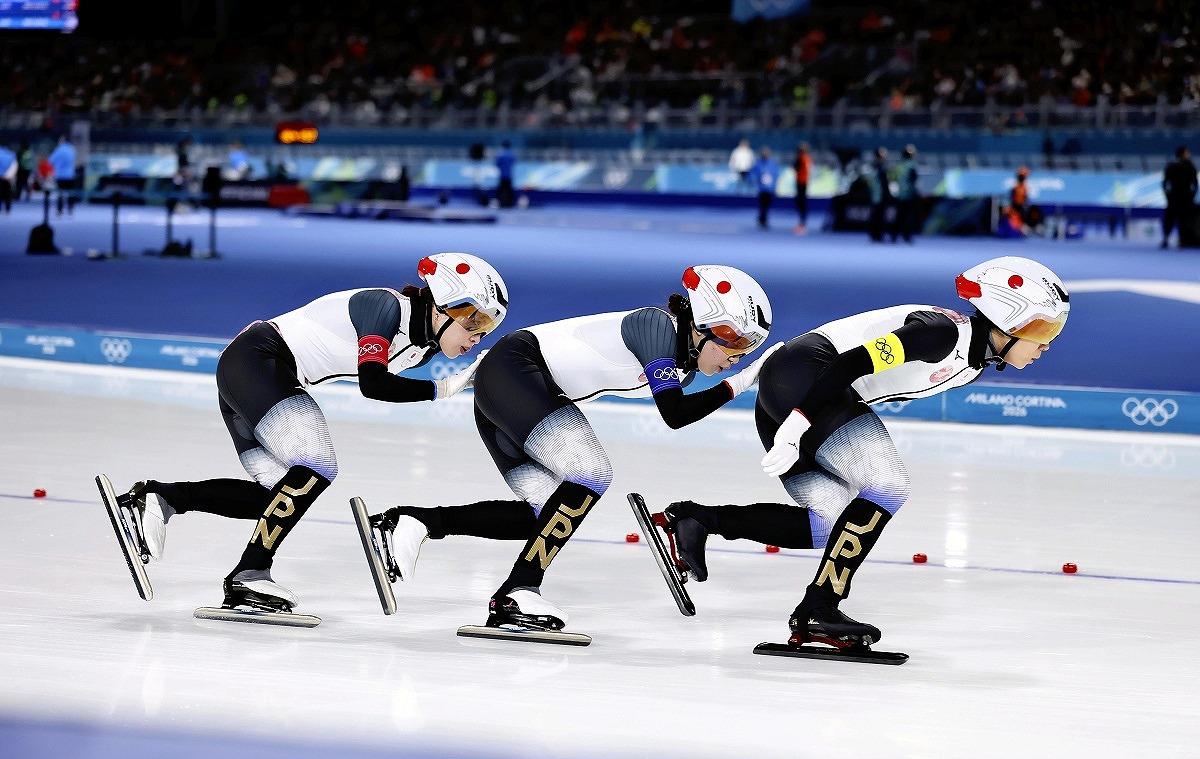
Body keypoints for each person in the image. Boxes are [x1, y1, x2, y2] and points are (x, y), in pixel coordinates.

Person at [649, 256, 1069, 651]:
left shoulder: (973, 358)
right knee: (888, 484)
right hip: (809, 385)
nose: (1046, 346)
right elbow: (850, 363)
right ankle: (818, 607)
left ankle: (696, 519)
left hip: (797, 393)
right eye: (1042, 332)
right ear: (1007, 320)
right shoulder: (941, 333)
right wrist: (798, 422)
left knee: (828, 525)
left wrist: (793, 413)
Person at [364, 265, 779, 633]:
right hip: (517, 373)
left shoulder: (681, 367)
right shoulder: (655, 326)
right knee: (591, 472)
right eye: (734, 342)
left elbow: (677, 407)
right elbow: (673, 413)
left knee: (545, 514)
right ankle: (517, 590)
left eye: (747, 349)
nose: (736, 356)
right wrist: (740, 383)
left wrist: (737, 380)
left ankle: (415, 522)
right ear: (705, 323)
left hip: (513, 384)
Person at [108, 253, 509, 616]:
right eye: (475, 321)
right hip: (259, 360)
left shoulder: (425, 347)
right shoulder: (387, 307)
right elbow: (373, 384)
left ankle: (161, 498)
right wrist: (443, 389)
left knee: (279, 498)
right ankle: (250, 572)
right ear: (442, 304)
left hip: (254, 371)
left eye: (488, 327)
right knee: (317, 465)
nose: (479, 336)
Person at [1161, 145, 1197, 249]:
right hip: (1176, 198)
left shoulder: (1190, 167)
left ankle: (1180, 240)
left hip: (1183, 199)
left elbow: (1194, 184)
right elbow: (1165, 183)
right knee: (1171, 219)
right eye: (1187, 153)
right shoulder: (1173, 167)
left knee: (1183, 220)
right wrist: (1168, 196)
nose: (1189, 155)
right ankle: (1167, 239)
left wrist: (1191, 196)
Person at [891, 144, 919, 243]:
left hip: (899, 194)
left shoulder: (899, 165)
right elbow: (913, 181)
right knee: (908, 217)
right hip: (908, 194)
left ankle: (894, 236)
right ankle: (906, 236)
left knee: (899, 216)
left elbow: (893, 179)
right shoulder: (911, 166)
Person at [749, 146, 781, 229]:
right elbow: (753, 174)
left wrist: (775, 186)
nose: (765, 155)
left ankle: (763, 219)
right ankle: (762, 219)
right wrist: (755, 181)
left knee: (767, 205)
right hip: (762, 188)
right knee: (762, 204)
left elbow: (775, 175)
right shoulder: (758, 163)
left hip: (770, 189)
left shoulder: (772, 164)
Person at [48, 136, 77, 216]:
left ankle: (59, 210)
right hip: (70, 175)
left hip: (60, 175)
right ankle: (70, 209)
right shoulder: (72, 149)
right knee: (70, 193)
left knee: (60, 194)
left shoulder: (59, 149)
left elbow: (50, 161)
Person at [866, 147, 891, 242]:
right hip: (878, 196)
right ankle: (876, 234)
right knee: (877, 216)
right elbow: (880, 183)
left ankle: (877, 234)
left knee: (879, 216)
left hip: (879, 195)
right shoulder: (877, 167)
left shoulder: (880, 167)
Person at [792, 142, 812, 234]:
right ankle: (802, 223)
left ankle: (802, 224)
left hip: (801, 182)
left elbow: (795, 167)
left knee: (801, 202)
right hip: (804, 182)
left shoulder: (802, 158)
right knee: (802, 202)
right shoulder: (807, 158)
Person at [495, 140, 516, 208]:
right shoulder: (512, 154)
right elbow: (513, 162)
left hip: (502, 175)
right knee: (509, 190)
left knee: (501, 190)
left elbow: (497, 164)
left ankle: (501, 202)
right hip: (509, 175)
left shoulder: (500, 154)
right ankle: (510, 203)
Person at [0, 141, 15, 215]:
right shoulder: (10, 154)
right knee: (8, 194)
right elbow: (14, 165)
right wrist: (8, 175)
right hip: (7, 178)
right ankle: (8, 209)